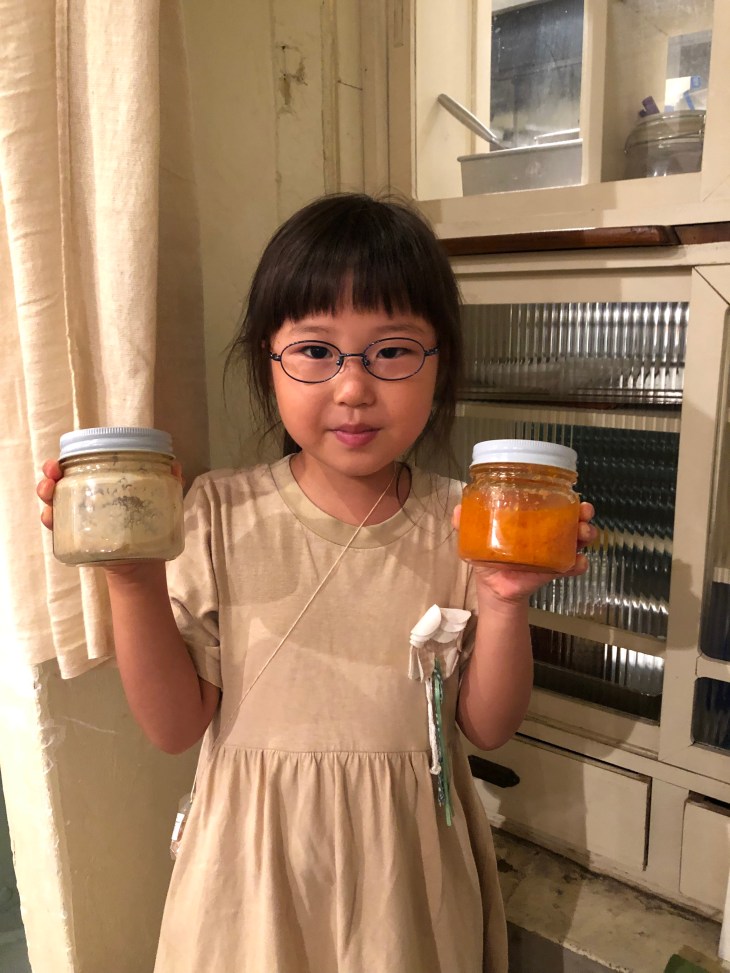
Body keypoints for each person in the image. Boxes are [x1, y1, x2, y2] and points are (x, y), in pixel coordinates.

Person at [38, 192, 596, 973]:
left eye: (392, 351)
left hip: (407, 879)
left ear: (441, 363)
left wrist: (505, 597)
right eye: (314, 350)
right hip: (251, 877)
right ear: (268, 361)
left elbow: (486, 724)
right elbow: (173, 726)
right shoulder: (218, 512)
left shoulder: (465, 522)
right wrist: (132, 579)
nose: (353, 387)